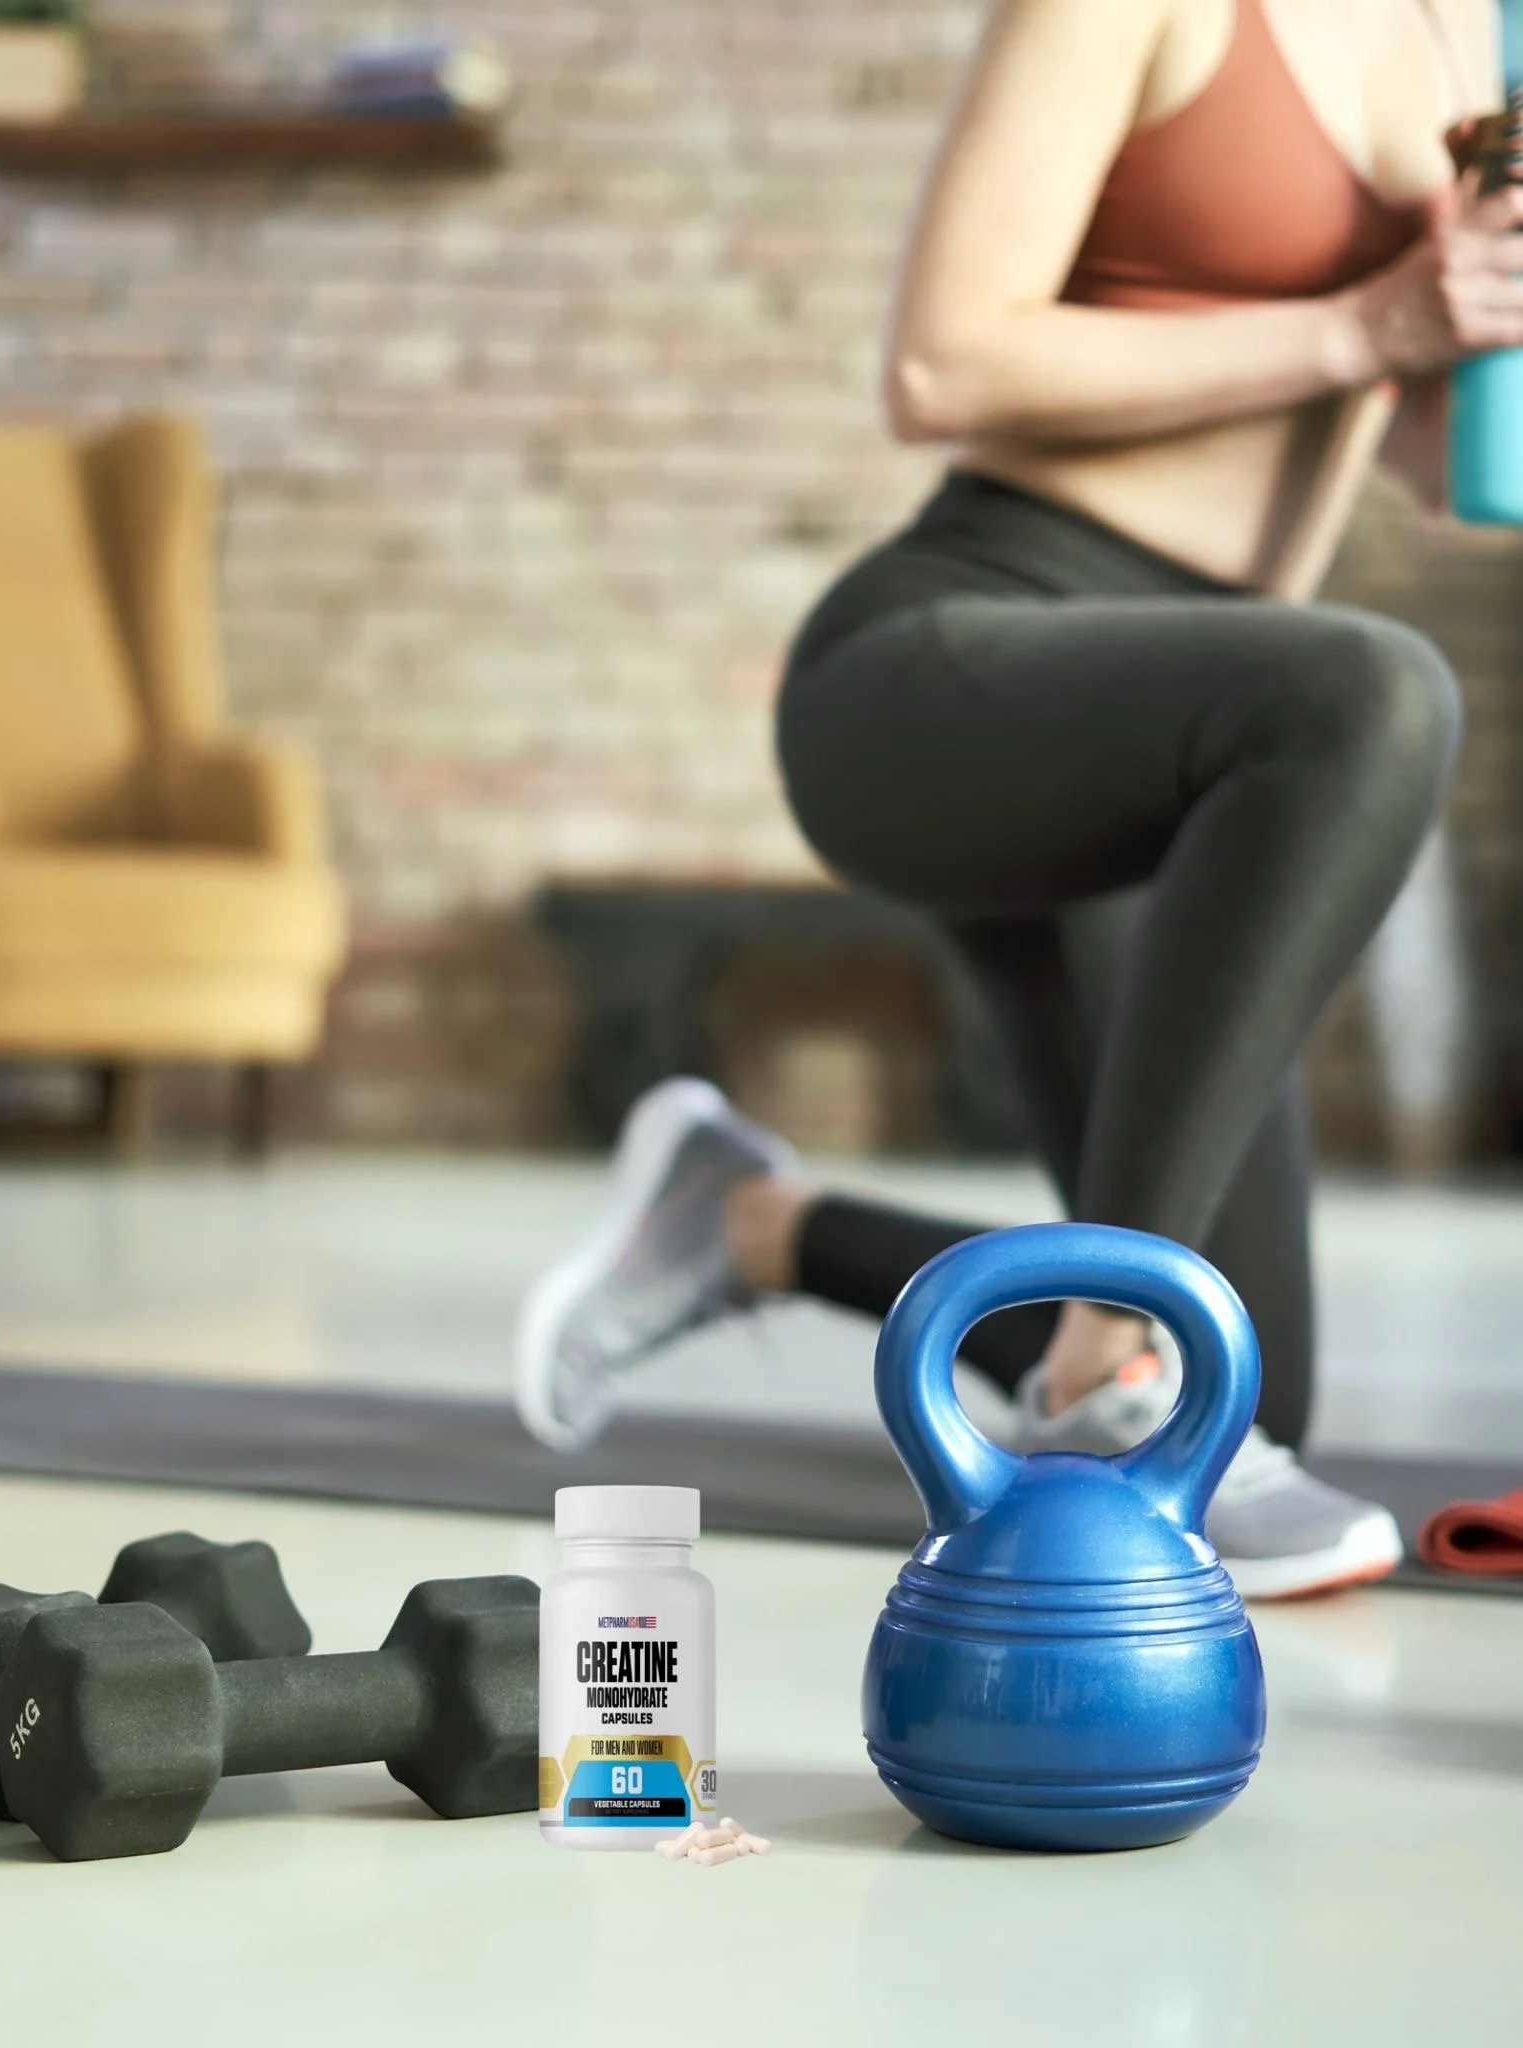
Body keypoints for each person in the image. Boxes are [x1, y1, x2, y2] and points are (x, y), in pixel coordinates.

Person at [515, 0, 1514, 1598]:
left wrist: (1451, 334)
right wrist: (1371, 322)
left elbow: (1404, 448)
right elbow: (941, 359)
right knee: (1377, 695)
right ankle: (1092, 1348)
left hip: (1204, 733)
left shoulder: (1463, 36)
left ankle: (758, 1225)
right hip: (954, 662)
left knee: (1243, 1394)